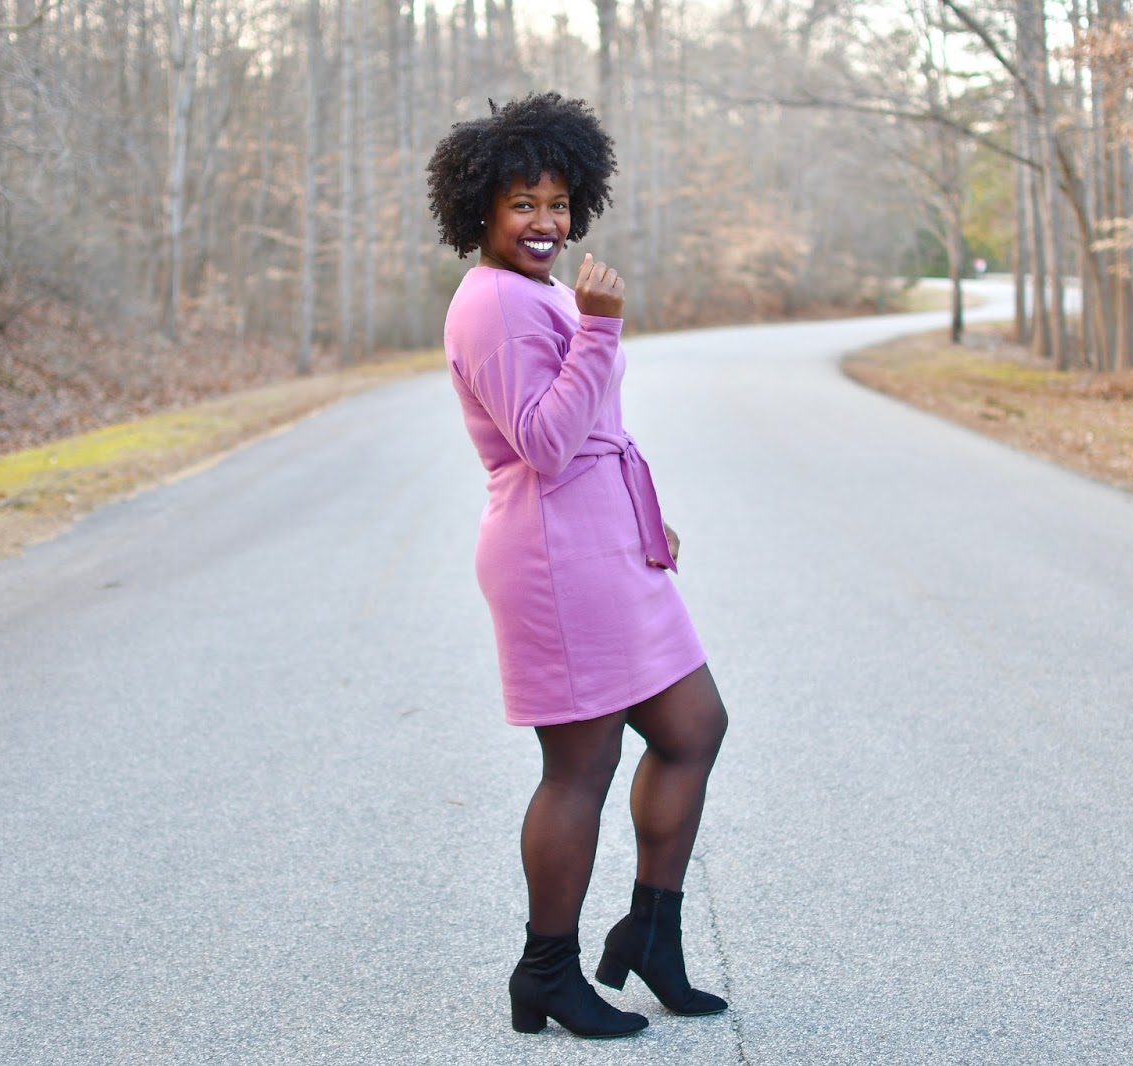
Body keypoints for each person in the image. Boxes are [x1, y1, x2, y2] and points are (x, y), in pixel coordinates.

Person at [428, 92, 730, 1039]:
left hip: (604, 540)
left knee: (694, 725)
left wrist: (642, 511)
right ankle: (546, 972)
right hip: (554, 554)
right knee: (579, 768)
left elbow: (592, 422)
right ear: (480, 209)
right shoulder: (493, 304)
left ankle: (651, 934)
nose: (546, 222)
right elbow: (545, 444)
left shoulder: (542, 292)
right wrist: (601, 328)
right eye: (522, 203)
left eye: (558, 203)